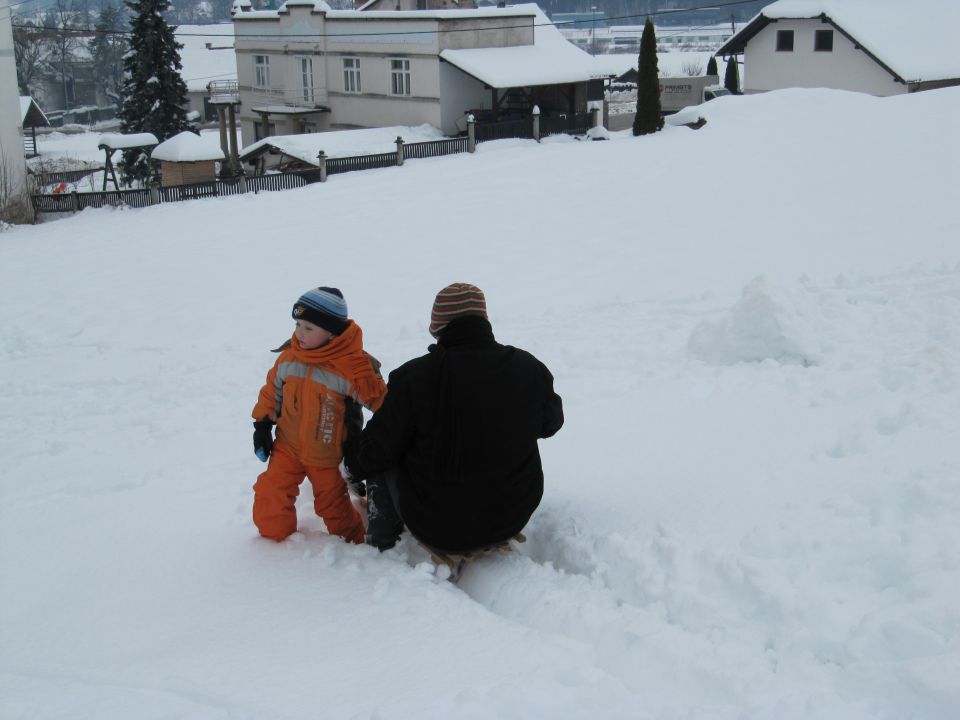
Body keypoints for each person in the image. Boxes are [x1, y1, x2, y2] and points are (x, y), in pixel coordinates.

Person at [359, 283, 563, 553]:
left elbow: (374, 452)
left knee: (383, 446)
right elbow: (550, 425)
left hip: (436, 527)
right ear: (484, 320)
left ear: (437, 327)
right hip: (512, 516)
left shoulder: (413, 377)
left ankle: (384, 543)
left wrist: (349, 464)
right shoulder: (528, 368)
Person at [251, 286, 387, 543]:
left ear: (332, 332)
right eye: (297, 324)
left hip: (327, 454)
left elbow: (382, 404)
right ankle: (274, 546)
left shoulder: (350, 367)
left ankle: (354, 545)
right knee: (271, 493)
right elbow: (271, 392)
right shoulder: (289, 358)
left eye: (308, 328)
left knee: (333, 506)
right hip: (287, 447)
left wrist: (367, 376)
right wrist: (262, 425)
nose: (299, 333)